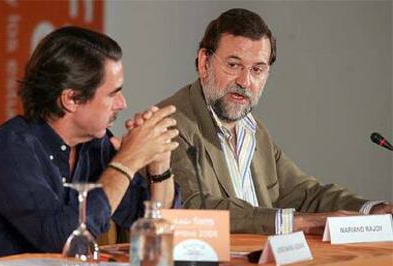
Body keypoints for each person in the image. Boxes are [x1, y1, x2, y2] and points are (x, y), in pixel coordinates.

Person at [158, 8, 392, 235]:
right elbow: (195, 208)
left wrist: (373, 210)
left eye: (257, 69)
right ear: (204, 63)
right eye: (233, 65)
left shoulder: (253, 130)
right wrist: (298, 222)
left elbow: (304, 193)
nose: (245, 81)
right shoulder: (170, 124)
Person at [0, 26, 180, 258]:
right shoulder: (10, 149)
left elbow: (153, 225)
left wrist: (159, 165)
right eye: (112, 94)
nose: (122, 104)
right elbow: (62, 240)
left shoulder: (96, 145)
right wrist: (127, 161)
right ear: (71, 99)